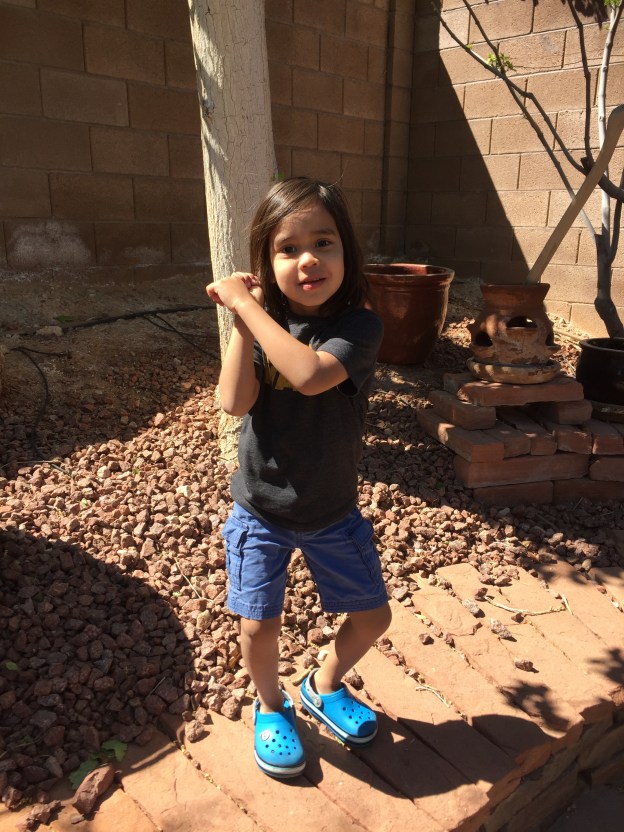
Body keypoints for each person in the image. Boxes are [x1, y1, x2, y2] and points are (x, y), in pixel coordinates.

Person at [206, 176, 391, 779]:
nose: (308, 258)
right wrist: (242, 320)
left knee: (373, 616)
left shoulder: (359, 328)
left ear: (347, 253)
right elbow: (233, 402)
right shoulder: (260, 326)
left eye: (324, 242)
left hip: (332, 509)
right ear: (268, 261)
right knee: (258, 622)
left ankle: (322, 684)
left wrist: (246, 305)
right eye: (288, 248)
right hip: (261, 509)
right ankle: (271, 706)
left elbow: (310, 375)